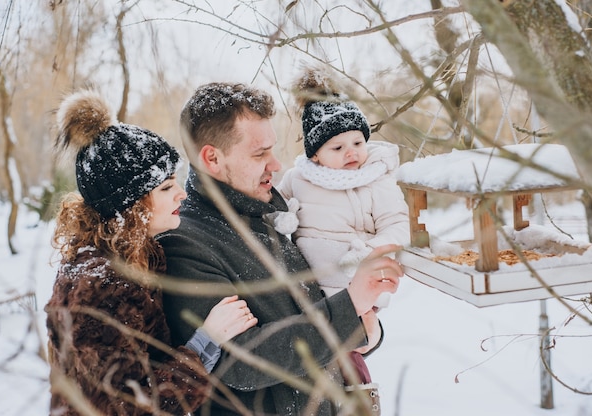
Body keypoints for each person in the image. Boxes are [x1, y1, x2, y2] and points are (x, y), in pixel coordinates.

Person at [157, 81, 403, 416]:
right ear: (212, 158)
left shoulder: (268, 216)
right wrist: (351, 306)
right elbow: (240, 363)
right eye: (260, 154)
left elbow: (314, 314)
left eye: (272, 149)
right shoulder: (185, 243)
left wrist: (363, 323)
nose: (275, 164)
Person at [44, 90, 257, 416]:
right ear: (130, 204)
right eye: (166, 187)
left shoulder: (136, 257)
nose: (182, 195)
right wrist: (206, 342)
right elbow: (126, 406)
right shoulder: (100, 285)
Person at [276, 69, 411, 391]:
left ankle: (358, 395)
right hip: (308, 287)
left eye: (357, 142)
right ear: (316, 155)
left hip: (356, 282)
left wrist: (372, 251)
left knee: (351, 350)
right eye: (337, 148)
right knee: (320, 351)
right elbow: (275, 205)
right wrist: (284, 220)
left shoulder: (376, 179)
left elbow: (397, 223)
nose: (351, 152)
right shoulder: (298, 178)